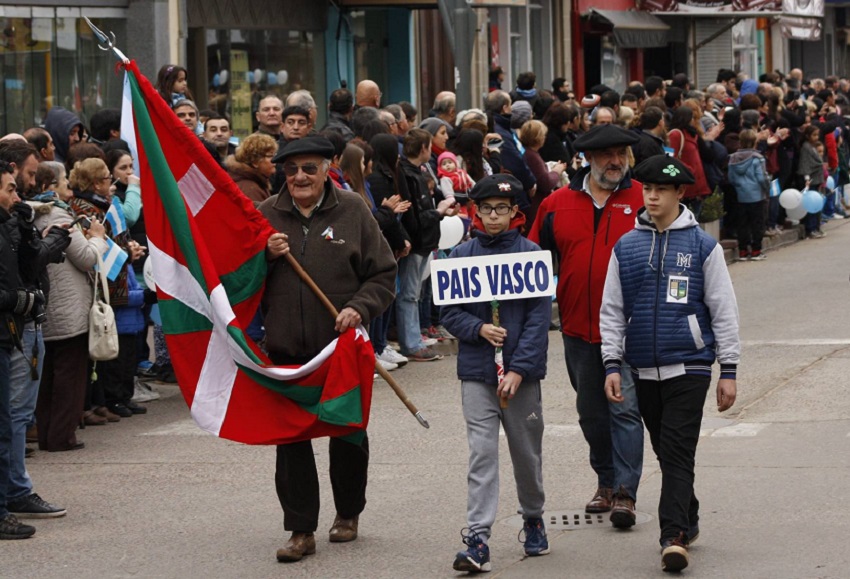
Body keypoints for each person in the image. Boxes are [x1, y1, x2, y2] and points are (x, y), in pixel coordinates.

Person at [259, 136, 397, 563]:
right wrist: (262, 255)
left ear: (327, 168)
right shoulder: (265, 215)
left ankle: (348, 513)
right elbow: (236, 279)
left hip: (341, 349)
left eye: (309, 168)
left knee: (347, 433)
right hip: (286, 354)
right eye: (291, 169)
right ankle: (300, 529)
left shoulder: (353, 209)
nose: (299, 177)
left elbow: (384, 275)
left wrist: (358, 308)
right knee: (292, 441)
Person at [600, 155, 739, 573]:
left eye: (662, 189)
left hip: (690, 367)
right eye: (647, 189)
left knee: (677, 452)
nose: (653, 196)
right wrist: (611, 363)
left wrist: (728, 369)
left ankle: (672, 536)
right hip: (643, 369)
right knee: (667, 451)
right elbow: (611, 309)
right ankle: (689, 513)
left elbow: (724, 309)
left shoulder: (702, 246)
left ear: (681, 193)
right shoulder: (626, 246)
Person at [529, 123, 645, 527]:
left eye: (621, 154)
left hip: (630, 330)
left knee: (625, 409)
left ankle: (626, 493)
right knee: (591, 412)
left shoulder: (643, 198)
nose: (616, 162)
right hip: (578, 328)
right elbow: (533, 263)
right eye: (607, 155)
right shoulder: (557, 203)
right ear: (587, 159)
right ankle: (606, 481)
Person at [441, 174, 551, 573]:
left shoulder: (532, 254)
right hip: (476, 372)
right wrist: (478, 329)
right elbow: (448, 313)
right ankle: (478, 537)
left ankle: (533, 516)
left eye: (501, 209)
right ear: (475, 211)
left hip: (520, 377)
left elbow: (539, 321)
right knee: (481, 453)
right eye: (485, 209)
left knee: (526, 453)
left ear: (514, 212)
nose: (493, 216)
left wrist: (519, 369)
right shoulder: (461, 256)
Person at [727, 129, 770, 260]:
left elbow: (731, 178)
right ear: (755, 142)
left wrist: (739, 186)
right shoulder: (758, 158)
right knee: (757, 223)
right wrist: (767, 188)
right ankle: (756, 250)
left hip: (741, 194)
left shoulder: (732, 158)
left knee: (742, 224)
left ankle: (743, 251)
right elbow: (761, 178)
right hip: (756, 194)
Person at [225, 133, 277, 204]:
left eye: (275, 155)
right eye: (270, 156)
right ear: (255, 161)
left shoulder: (255, 182)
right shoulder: (250, 190)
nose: (275, 160)